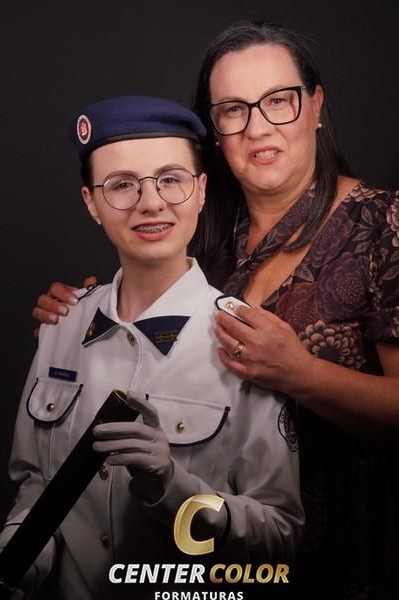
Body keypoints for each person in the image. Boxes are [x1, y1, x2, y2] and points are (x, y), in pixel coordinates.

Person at [33, 19, 399, 600]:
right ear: (215, 131)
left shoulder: (383, 224)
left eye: (278, 100)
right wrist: (82, 316)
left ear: (315, 105)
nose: (258, 127)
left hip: (348, 553)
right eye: (233, 109)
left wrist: (302, 374)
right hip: (208, 557)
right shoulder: (196, 226)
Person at [0, 95, 303, 599]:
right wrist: (16, 563)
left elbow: (280, 535)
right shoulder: (61, 326)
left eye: (171, 179)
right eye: (122, 185)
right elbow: (36, 488)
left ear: (201, 191)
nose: (151, 202)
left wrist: (172, 487)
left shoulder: (246, 340)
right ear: (91, 203)